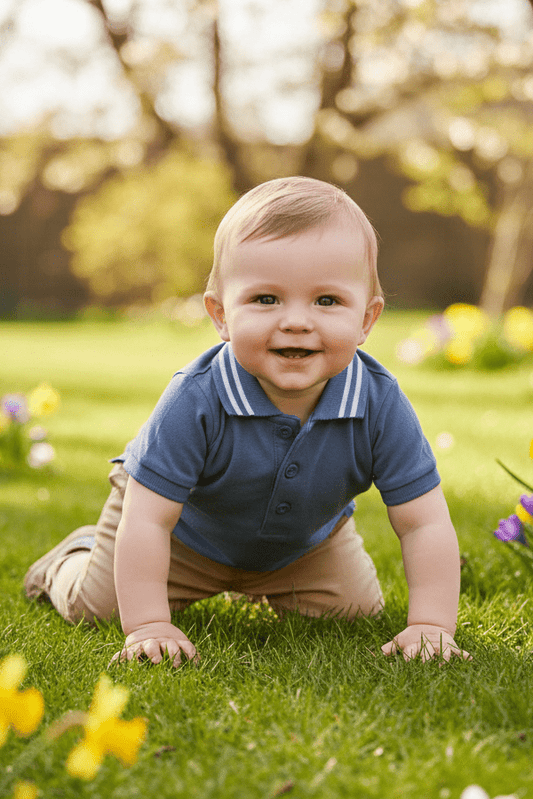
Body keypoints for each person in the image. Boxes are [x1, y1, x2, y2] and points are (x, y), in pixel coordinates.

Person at [24, 176, 470, 667]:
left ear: (366, 319)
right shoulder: (198, 397)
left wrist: (431, 625)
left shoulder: (378, 403)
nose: (296, 321)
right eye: (266, 299)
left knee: (355, 610)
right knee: (100, 607)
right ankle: (71, 559)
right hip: (178, 540)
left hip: (301, 549)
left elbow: (424, 522)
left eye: (326, 301)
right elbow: (149, 519)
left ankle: (267, 584)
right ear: (221, 315)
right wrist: (148, 625)